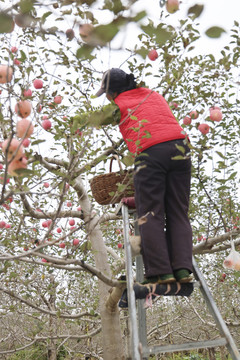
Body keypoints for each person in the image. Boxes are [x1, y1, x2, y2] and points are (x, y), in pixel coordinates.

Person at [94, 68, 193, 284]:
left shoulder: (118, 106)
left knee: (150, 213)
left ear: (111, 92)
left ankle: (162, 273)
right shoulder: (152, 94)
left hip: (150, 153)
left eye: (107, 93)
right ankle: (183, 270)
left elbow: (88, 120)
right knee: (178, 210)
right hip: (180, 148)